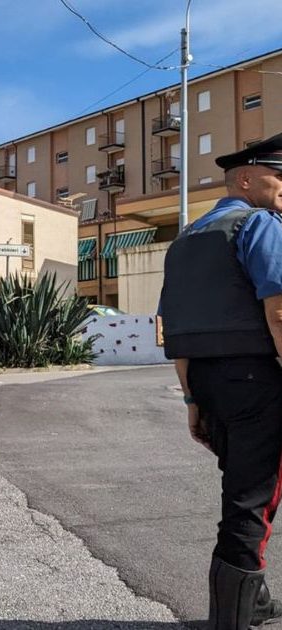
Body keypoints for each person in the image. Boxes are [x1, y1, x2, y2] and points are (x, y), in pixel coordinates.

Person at [159, 131, 282, 628]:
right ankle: (229, 618)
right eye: (280, 178)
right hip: (258, 379)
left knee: (242, 490)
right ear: (247, 179)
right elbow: (279, 312)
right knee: (254, 497)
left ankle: (251, 602)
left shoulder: (186, 239)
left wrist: (192, 401)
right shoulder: (261, 224)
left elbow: (175, 330)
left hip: (210, 382)